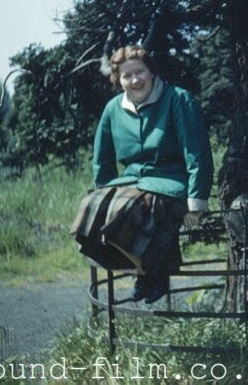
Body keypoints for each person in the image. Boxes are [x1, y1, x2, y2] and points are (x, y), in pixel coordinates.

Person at [72, 44, 213, 304]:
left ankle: (153, 274)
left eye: (140, 72)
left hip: (171, 182)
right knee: (91, 207)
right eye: (127, 75)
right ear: (118, 80)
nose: (135, 80)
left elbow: (197, 154)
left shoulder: (177, 99)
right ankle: (146, 271)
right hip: (132, 181)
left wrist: (196, 204)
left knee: (134, 206)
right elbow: (101, 158)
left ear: (152, 72)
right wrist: (104, 194)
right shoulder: (113, 109)